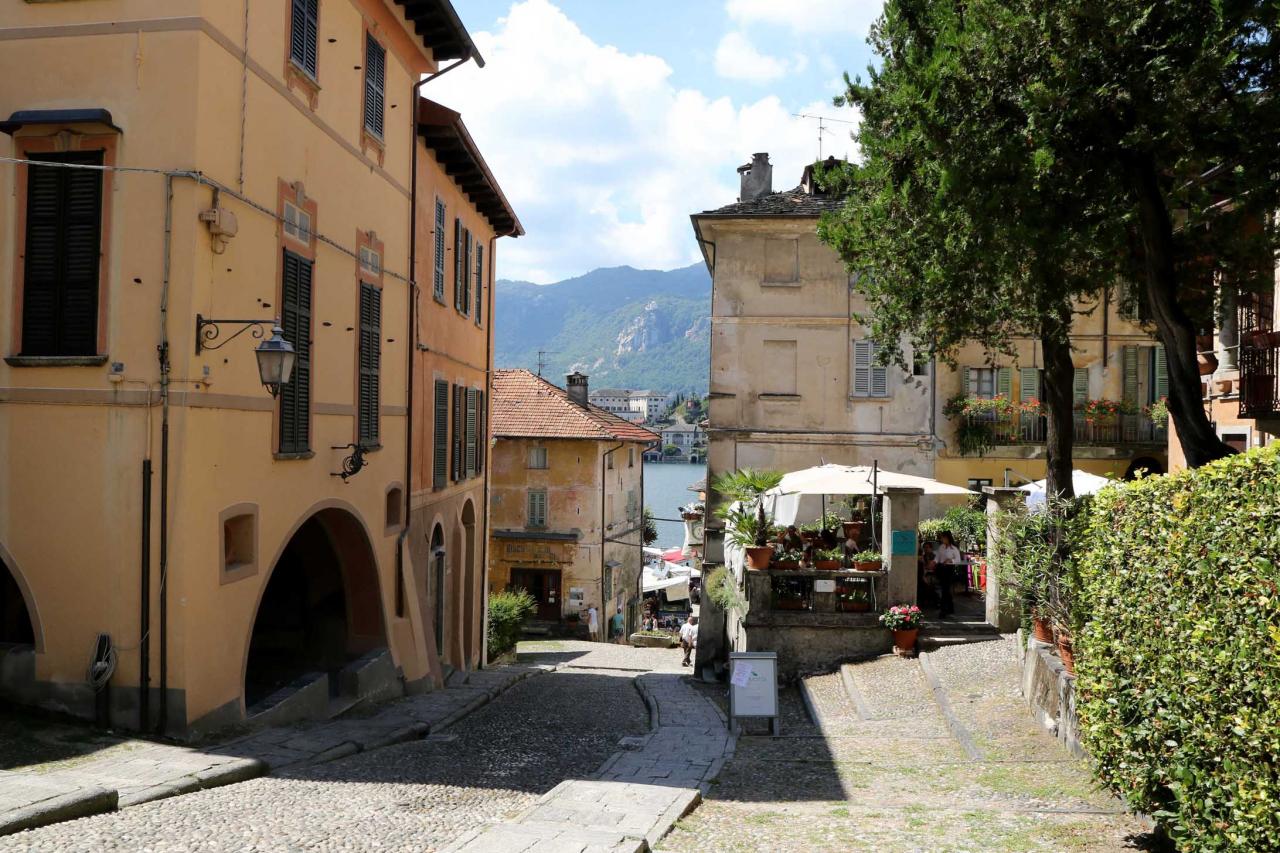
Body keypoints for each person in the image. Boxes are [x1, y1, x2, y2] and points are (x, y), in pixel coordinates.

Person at [935, 531, 962, 619]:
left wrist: (951, 561)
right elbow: (937, 558)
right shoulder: (941, 547)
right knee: (945, 589)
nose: (942, 539)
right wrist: (933, 562)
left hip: (949, 570)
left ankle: (943, 611)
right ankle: (950, 607)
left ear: (948, 538)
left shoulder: (954, 549)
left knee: (945, 590)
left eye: (943, 537)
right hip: (941, 569)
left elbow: (958, 560)